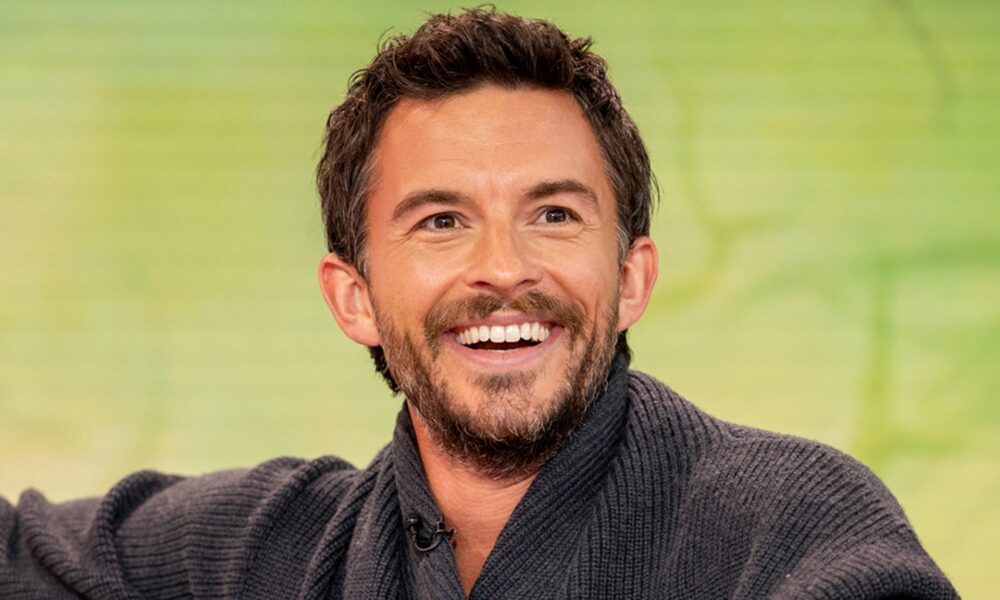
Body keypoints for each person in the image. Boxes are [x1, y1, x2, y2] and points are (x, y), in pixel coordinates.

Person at [0, 8, 958, 600]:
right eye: (441, 221)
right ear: (353, 298)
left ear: (632, 277)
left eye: (554, 214)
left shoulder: (793, 530)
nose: (504, 268)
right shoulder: (270, 551)